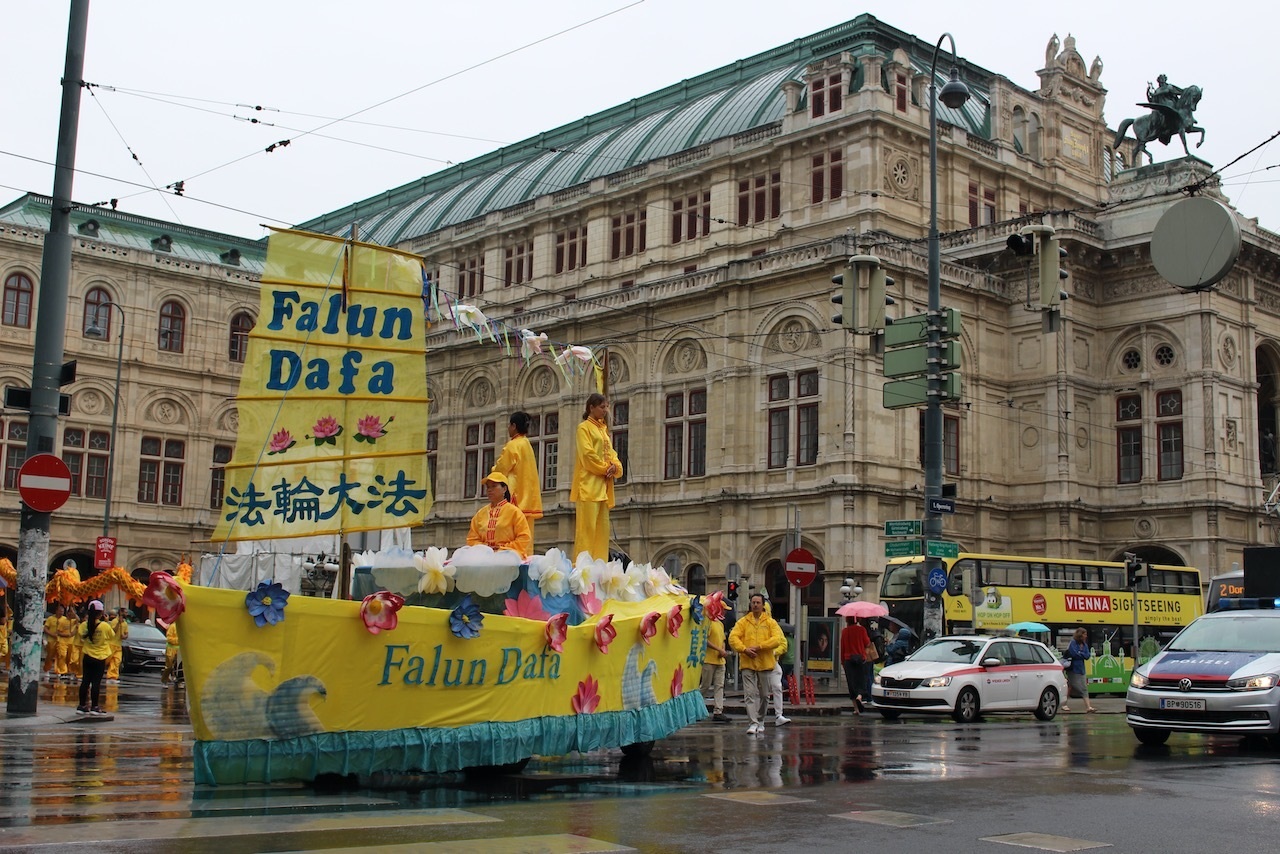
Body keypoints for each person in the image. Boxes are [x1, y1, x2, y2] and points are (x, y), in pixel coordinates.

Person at [570, 393, 623, 561]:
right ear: (591, 408)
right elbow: (587, 456)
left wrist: (615, 467)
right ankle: (582, 567)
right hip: (588, 487)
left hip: (603, 488)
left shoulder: (603, 430)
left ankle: (600, 566)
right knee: (586, 532)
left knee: (602, 532)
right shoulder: (583, 428)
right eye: (602, 407)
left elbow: (612, 454)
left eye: (606, 407)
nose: (605, 410)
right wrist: (606, 468)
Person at [728, 593, 784, 735]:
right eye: (753, 602)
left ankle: (761, 720)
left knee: (764, 695)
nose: (755, 605)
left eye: (758, 602)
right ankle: (753, 723)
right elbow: (733, 638)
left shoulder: (770, 622)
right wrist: (744, 649)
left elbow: (777, 639)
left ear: (763, 605)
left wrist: (760, 647)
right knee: (749, 694)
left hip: (765, 664)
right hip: (747, 663)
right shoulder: (743, 622)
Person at [490, 411, 544, 550]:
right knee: (526, 536)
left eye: (509, 425)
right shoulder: (526, 444)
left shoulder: (512, 445)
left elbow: (501, 469)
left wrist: (493, 469)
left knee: (511, 536)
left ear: (514, 426)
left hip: (515, 497)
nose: (508, 428)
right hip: (528, 498)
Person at [466, 472, 533, 559]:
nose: (490, 490)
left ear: (504, 489)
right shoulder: (480, 514)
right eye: (488, 487)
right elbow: (472, 539)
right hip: (485, 559)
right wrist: (485, 549)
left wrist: (502, 550)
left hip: (509, 558)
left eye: (494, 486)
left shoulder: (514, 512)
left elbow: (524, 538)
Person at [76, 600, 114, 716]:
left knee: (85, 681)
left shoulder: (84, 625)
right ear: (101, 613)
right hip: (100, 657)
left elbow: (80, 636)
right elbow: (112, 636)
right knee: (96, 683)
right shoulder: (105, 626)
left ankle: (82, 706)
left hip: (87, 656)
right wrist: (106, 622)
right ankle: (94, 706)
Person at [700, 608, 730, 722]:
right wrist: (719, 649)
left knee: (719, 686)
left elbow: (722, 640)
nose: (724, 612)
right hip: (708, 660)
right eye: (723, 610)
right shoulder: (708, 622)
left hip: (720, 661)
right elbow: (705, 640)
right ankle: (695, 708)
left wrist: (722, 650)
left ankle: (718, 711)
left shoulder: (720, 624)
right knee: (705, 686)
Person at [840, 616, 871, 714]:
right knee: (861, 681)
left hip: (848, 660)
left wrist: (843, 662)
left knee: (851, 683)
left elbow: (842, 647)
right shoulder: (862, 630)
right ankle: (860, 697)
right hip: (860, 659)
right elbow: (867, 643)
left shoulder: (844, 631)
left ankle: (856, 709)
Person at [1063, 626, 1096, 713]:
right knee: (1074, 686)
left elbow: (1087, 656)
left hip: (1081, 669)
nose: (1086, 636)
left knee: (1082, 687)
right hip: (1073, 668)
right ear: (1080, 635)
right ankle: (1064, 704)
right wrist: (1082, 654)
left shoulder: (1084, 644)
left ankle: (1088, 707)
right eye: (1085, 634)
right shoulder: (1073, 643)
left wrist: (1079, 653)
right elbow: (1073, 653)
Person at [769, 628, 792, 727]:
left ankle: (779, 715)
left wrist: (774, 652)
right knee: (761, 692)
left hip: (773, 662)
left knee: (777, 687)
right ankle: (758, 719)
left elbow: (783, 644)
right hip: (759, 663)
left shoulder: (773, 626)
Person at [106, 607, 129, 683]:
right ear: (121, 613)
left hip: (118, 645)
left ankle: (112, 677)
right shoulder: (114, 621)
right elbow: (113, 631)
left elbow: (126, 634)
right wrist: (118, 623)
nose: (126, 614)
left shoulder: (125, 623)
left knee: (117, 661)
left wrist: (124, 636)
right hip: (111, 644)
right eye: (125, 612)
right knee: (106, 661)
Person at [161, 621, 181, 686]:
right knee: (169, 666)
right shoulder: (172, 626)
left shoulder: (183, 627)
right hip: (171, 649)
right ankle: (164, 679)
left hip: (180, 649)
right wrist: (178, 640)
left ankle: (179, 680)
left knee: (178, 666)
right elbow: (169, 638)